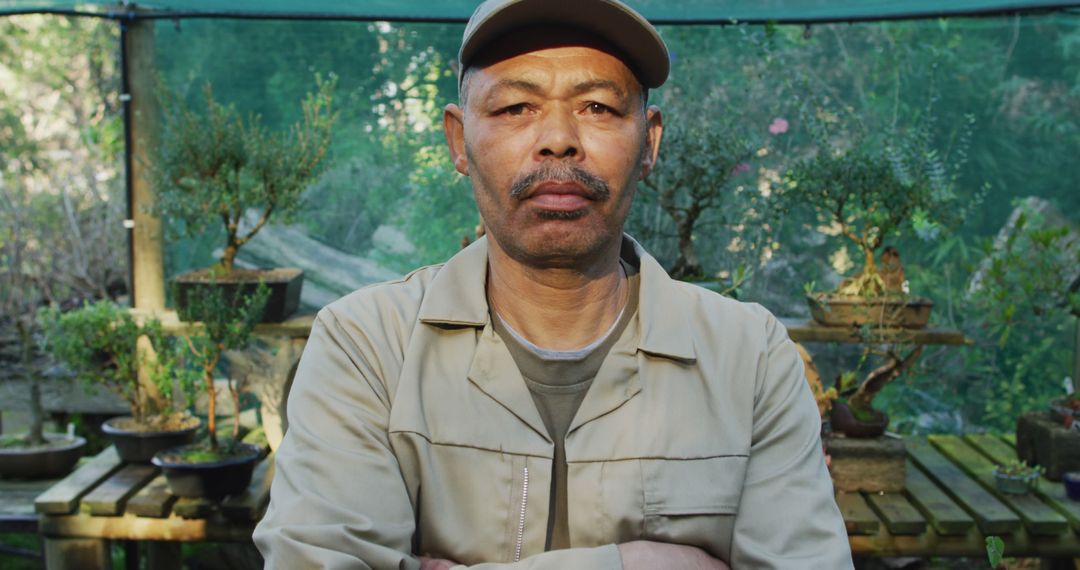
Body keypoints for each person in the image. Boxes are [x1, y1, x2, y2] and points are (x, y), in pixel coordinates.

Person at [254, 0, 854, 568]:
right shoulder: (367, 348)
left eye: (597, 107)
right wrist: (634, 563)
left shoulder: (750, 359)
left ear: (649, 142)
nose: (560, 138)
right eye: (517, 108)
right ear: (460, 141)